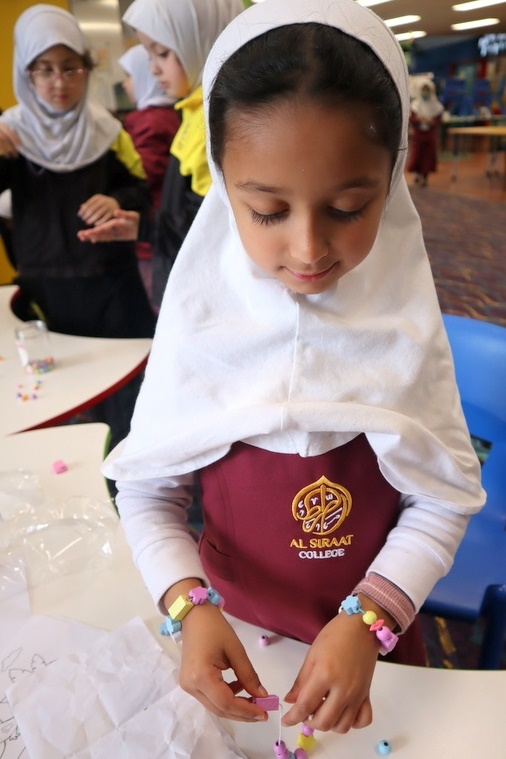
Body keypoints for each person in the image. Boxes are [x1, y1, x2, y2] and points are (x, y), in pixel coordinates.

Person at [102, 0, 485, 736]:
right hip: (230, 635)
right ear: (223, 185)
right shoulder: (202, 323)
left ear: (393, 183)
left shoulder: (402, 324)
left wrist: (370, 616)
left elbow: (441, 498)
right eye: (268, 211)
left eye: (348, 205)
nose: (308, 250)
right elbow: (146, 488)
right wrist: (187, 601)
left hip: (371, 643)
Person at [0, 4, 157, 452]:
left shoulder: (108, 131)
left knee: (127, 394)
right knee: (62, 399)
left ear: (87, 70)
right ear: (25, 73)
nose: (59, 83)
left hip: (112, 287)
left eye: (71, 69)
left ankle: (130, 477)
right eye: (44, 70)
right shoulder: (12, 135)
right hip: (48, 291)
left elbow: (139, 192)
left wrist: (117, 199)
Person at [79, 0, 245, 308]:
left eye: (163, 53)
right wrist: (142, 228)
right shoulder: (193, 112)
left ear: (201, 40)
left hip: (207, 295)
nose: (154, 68)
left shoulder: (212, 121)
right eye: (150, 54)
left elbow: (207, 235)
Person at [118, 44, 180, 213]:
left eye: (129, 76)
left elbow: (145, 172)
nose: (124, 84)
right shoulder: (170, 112)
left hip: (155, 210)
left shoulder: (149, 122)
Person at [407, 77, 444, 187]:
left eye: (427, 90)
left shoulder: (436, 106)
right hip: (418, 134)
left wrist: (431, 121)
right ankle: (417, 174)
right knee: (417, 155)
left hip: (430, 135)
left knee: (427, 157)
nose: (425, 93)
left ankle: (425, 176)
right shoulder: (415, 105)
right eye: (423, 90)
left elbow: (439, 120)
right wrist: (419, 119)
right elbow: (412, 118)